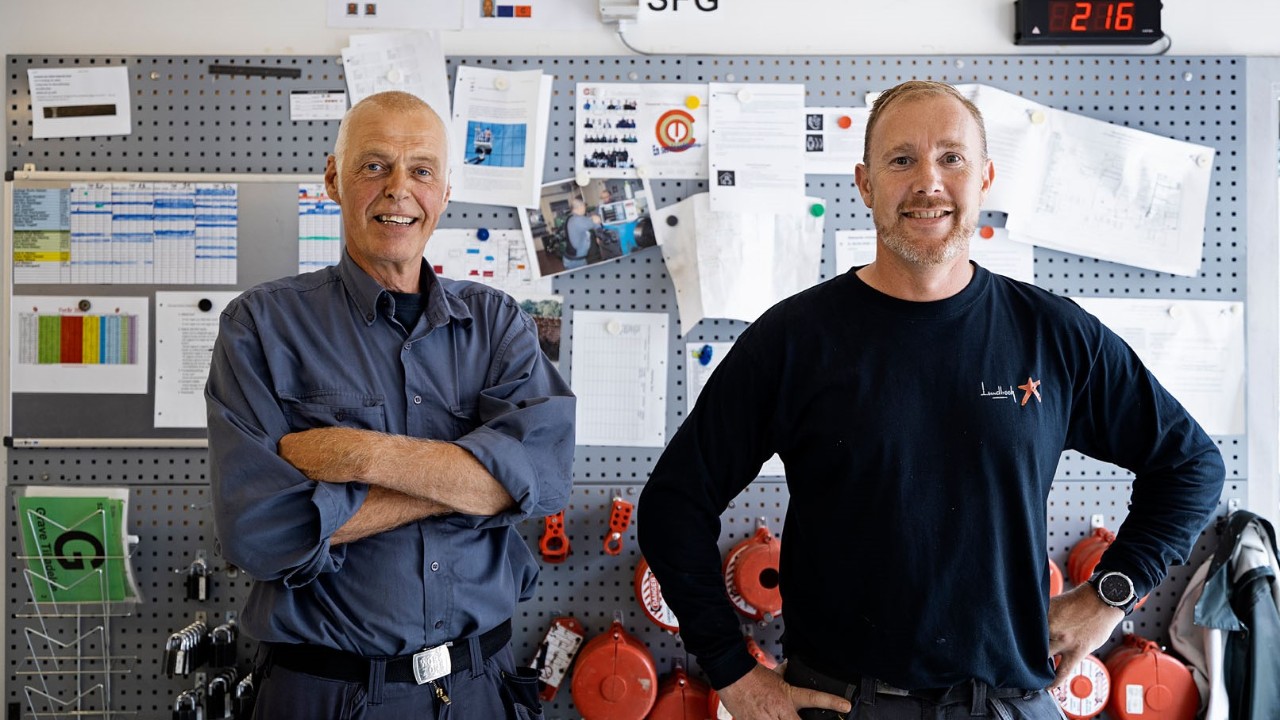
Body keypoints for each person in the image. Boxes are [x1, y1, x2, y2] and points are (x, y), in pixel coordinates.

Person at [637, 80, 1225, 720]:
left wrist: (1111, 594)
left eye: (952, 158)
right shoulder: (795, 340)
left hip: (1013, 703)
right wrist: (731, 670)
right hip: (845, 704)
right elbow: (674, 503)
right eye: (901, 160)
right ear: (865, 184)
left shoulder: (1053, 335)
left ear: (985, 178)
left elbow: (1191, 465)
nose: (928, 182)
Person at [206, 90, 575, 717]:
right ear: (334, 179)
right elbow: (259, 531)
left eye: (421, 170)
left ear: (444, 192)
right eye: (374, 165)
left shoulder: (496, 323)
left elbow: (544, 476)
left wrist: (356, 455)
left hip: (479, 688)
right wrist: (472, 483)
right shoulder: (261, 327)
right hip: (326, 694)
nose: (399, 188)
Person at [562, 196, 600, 270]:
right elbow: (596, 221)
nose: (585, 208)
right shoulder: (577, 220)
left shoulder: (572, 218)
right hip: (576, 262)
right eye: (584, 206)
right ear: (581, 207)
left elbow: (588, 220)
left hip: (575, 259)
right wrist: (595, 217)